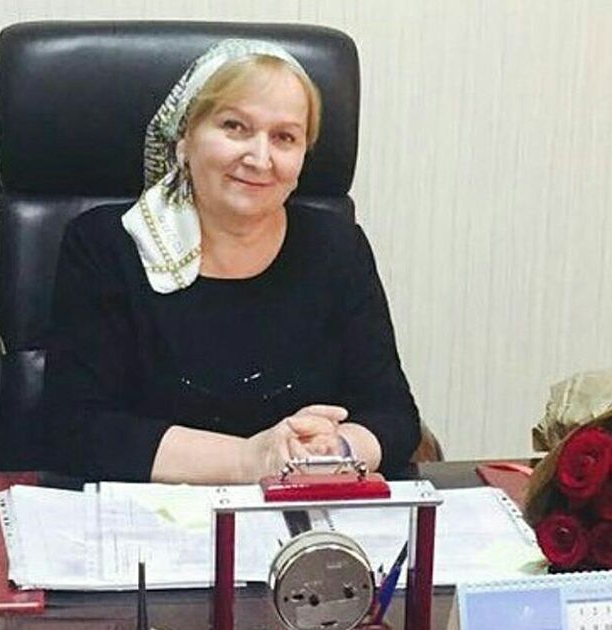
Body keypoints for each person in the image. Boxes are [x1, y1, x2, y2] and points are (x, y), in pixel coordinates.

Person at [44, 39, 420, 484]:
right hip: (151, 515)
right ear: (185, 139)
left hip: (302, 507)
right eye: (235, 127)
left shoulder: (338, 246)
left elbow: (394, 415)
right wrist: (249, 460)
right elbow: (77, 430)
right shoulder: (108, 244)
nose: (260, 158)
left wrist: (333, 451)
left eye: (284, 137)